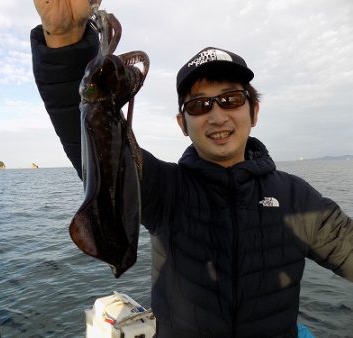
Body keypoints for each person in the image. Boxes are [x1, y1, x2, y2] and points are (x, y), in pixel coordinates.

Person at [31, 1, 353, 337]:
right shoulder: (166, 189)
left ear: (254, 111)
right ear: (182, 124)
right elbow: (91, 141)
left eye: (231, 99)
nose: (216, 116)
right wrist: (64, 40)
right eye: (199, 105)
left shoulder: (298, 198)